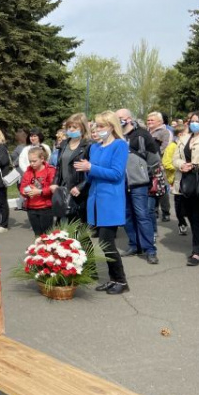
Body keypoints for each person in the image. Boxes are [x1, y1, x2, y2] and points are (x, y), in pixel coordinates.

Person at [74, 111, 129, 295]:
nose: (97, 129)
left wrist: (91, 167)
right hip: (95, 200)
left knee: (107, 242)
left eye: (101, 126)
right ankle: (113, 279)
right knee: (104, 243)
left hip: (111, 200)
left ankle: (121, 280)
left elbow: (116, 173)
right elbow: (92, 174)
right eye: (96, 126)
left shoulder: (120, 145)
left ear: (112, 127)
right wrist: (85, 172)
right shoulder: (96, 147)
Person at [117, 108, 160, 265]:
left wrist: (144, 172)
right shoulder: (116, 136)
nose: (117, 121)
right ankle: (134, 245)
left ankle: (150, 250)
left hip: (139, 183)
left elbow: (154, 158)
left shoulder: (142, 134)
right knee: (127, 215)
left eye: (120, 118)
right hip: (121, 183)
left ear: (128, 119)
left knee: (142, 216)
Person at [172, 111, 199, 271]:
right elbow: (174, 158)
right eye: (191, 121)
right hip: (186, 182)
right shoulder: (183, 138)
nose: (193, 124)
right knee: (191, 216)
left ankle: (198, 250)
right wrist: (181, 165)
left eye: (197, 121)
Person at [50, 113, 91, 226]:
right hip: (63, 189)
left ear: (83, 128)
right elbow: (59, 166)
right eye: (69, 127)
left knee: (77, 228)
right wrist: (55, 182)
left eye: (74, 127)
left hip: (78, 191)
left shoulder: (88, 145)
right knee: (61, 226)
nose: (71, 129)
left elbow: (91, 171)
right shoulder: (64, 144)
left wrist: (80, 187)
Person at [20, 147, 56, 236]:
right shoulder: (28, 172)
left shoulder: (50, 170)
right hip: (31, 208)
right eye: (30, 161)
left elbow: (52, 188)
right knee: (37, 235)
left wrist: (39, 191)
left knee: (47, 236)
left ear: (42, 159)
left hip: (45, 207)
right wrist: (26, 192)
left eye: (34, 161)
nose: (32, 164)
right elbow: (22, 187)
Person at [163, 123, 190, 236]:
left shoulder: (187, 145)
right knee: (179, 205)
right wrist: (179, 167)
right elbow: (166, 162)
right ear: (180, 134)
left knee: (189, 204)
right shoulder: (172, 146)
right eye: (187, 133)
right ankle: (182, 223)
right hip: (176, 180)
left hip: (188, 179)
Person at [147, 111, 172, 222]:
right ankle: (154, 210)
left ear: (160, 121)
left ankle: (166, 211)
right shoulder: (146, 131)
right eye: (148, 120)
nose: (149, 122)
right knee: (151, 187)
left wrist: (154, 155)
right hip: (147, 164)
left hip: (159, 163)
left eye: (152, 120)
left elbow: (166, 147)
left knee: (161, 188)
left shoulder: (164, 132)